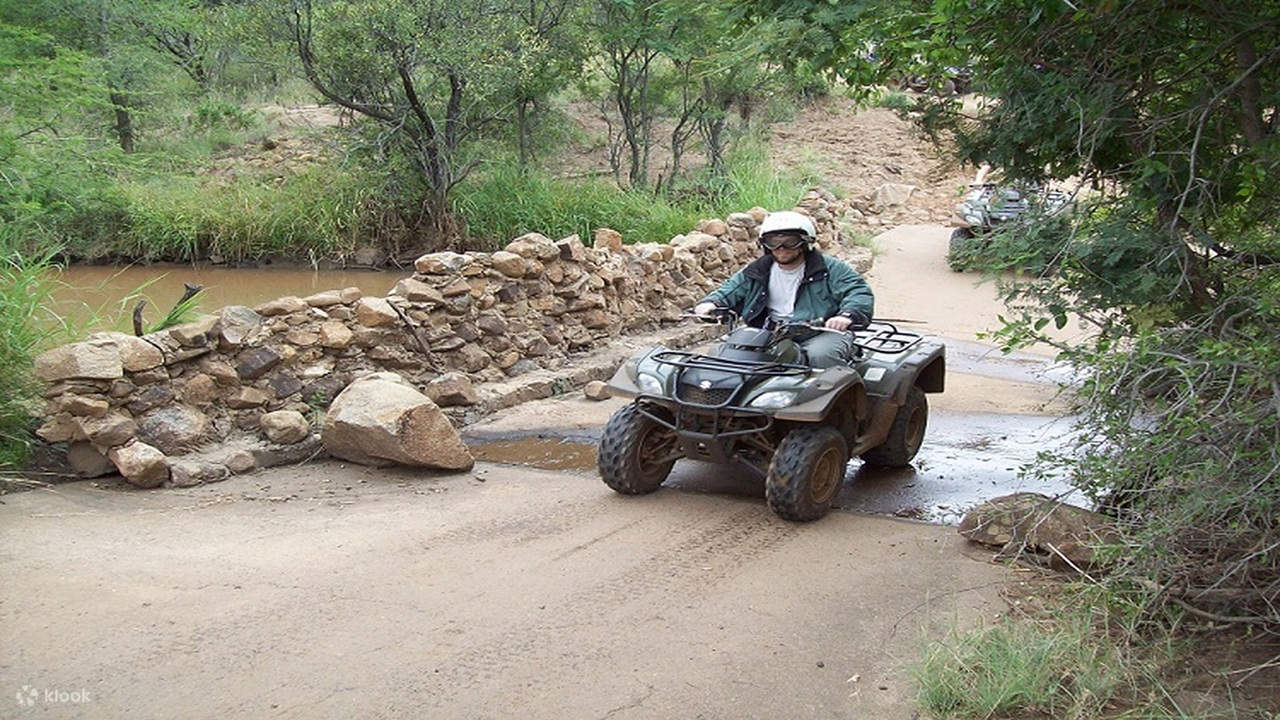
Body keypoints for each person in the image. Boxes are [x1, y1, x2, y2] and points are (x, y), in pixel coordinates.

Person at [694, 210, 874, 369]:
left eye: (790, 242)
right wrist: (710, 304)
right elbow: (730, 289)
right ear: (765, 244)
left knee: (820, 357)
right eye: (774, 242)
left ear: (805, 242)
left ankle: (835, 405)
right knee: (720, 352)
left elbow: (857, 291)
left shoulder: (829, 268)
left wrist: (846, 316)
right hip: (769, 333)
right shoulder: (758, 269)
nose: (781, 248)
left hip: (820, 332)